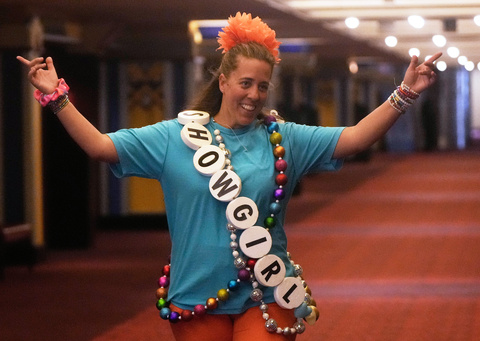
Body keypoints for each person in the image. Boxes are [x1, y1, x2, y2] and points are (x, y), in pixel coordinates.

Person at [18, 12, 441, 341]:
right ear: (223, 81)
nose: (254, 95)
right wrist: (57, 97)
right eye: (245, 83)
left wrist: (403, 94)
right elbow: (99, 146)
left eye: (263, 86)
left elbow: (353, 139)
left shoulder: (284, 138)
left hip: (270, 288)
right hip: (198, 291)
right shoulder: (174, 138)